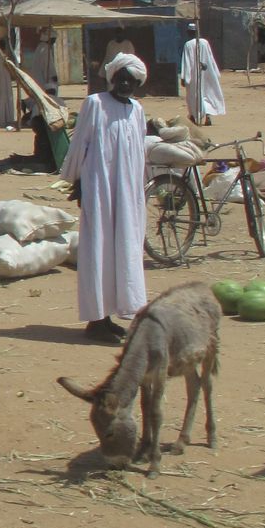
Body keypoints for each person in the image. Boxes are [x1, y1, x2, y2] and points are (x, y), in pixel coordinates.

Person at [63, 53, 150, 342]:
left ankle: (112, 313)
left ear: (137, 83)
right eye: (120, 78)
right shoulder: (95, 104)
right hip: (99, 187)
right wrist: (77, 182)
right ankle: (96, 318)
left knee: (124, 248)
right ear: (112, 78)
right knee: (99, 249)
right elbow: (80, 144)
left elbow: (138, 151)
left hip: (127, 193)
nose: (125, 83)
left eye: (131, 80)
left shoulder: (136, 110)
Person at [179, 24, 225, 127]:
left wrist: (185, 77)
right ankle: (207, 115)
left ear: (189, 32)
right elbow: (211, 59)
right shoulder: (205, 42)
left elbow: (187, 62)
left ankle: (194, 117)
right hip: (207, 74)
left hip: (194, 75)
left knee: (194, 96)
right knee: (206, 94)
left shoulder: (188, 44)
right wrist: (215, 72)